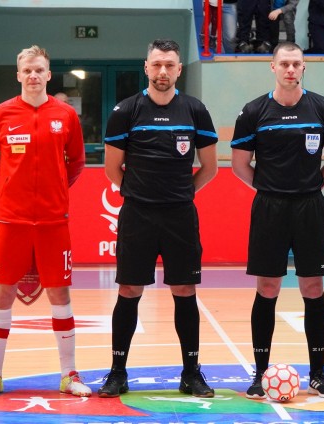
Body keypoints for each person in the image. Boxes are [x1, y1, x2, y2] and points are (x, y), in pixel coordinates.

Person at [98, 38, 219, 399]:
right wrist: (139, 193)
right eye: (156, 64)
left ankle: (191, 373)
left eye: (169, 65)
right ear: (146, 68)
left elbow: (210, 167)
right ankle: (117, 373)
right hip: (138, 214)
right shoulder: (126, 110)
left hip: (180, 215)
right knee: (129, 290)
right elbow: (111, 168)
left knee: (185, 290)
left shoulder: (195, 110)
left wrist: (181, 194)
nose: (162, 71)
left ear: (179, 69)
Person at [231, 41, 324, 400]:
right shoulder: (254, 111)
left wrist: (311, 187)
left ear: (304, 67)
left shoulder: (322, 107)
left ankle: (318, 374)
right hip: (270, 209)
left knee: (313, 288)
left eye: (296, 63)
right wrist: (270, 189)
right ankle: (259, 373)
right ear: (273, 67)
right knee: (268, 288)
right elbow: (239, 164)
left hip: (310, 208)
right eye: (284, 64)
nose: (291, 69)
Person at [0, 45, 90, 398]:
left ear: (49, 74)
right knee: (3, 292)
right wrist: (13, 188)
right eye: (27, 70)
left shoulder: (65, 115)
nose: (33, 76)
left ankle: (69, 374)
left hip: (54, 221)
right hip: (12, 220)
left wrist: (54, 189)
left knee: (60, 293)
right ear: (18, 75)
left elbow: (76, 162)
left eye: (39, 70)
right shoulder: (1, 114)